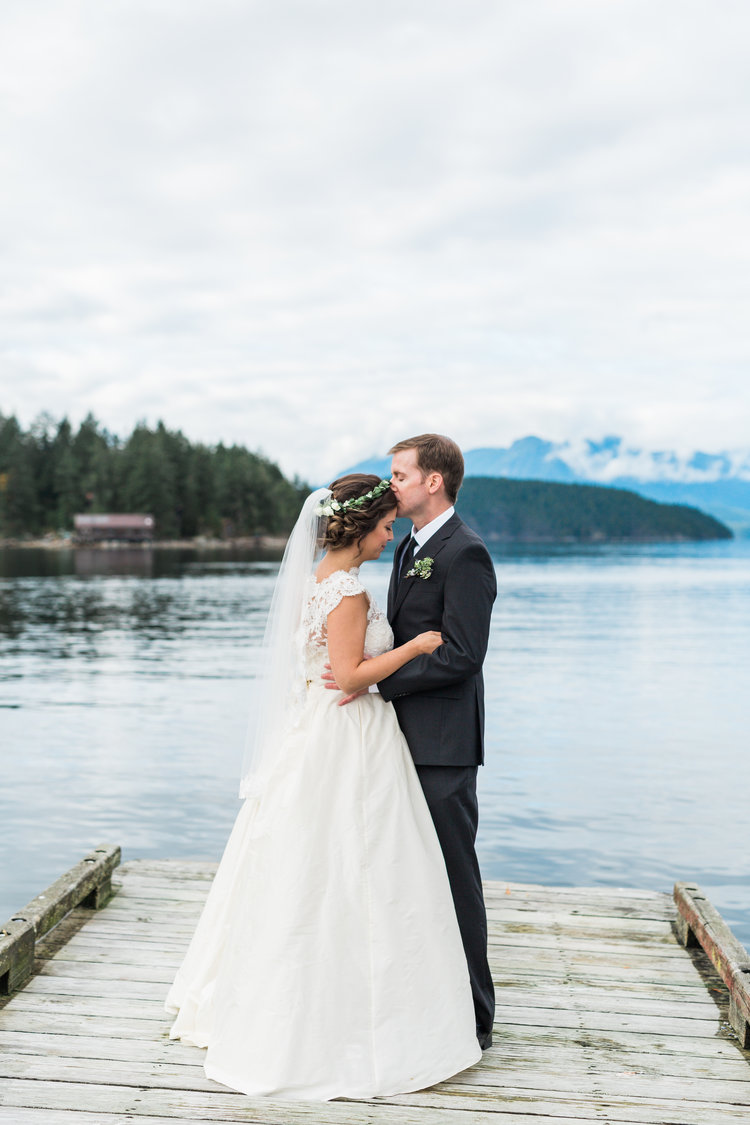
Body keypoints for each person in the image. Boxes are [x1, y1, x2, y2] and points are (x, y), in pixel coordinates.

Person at [165, 474, 482, 1101]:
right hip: (349, 736)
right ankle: (358, 1022)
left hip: (321, 729)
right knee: (358, 863)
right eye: (386, 526)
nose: (391, 535)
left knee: (325, 863)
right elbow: (351, 674)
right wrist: (416, 644)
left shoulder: (318, 584)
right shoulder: (348, 595)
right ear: (361, 529)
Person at [330, 435, 496, 1050]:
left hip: (443, 745)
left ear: (433, 481)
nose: (389, 483)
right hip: (394, 741)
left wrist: (378, 684)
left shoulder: (467, 553)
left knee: (453, 877)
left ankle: (476, 1017)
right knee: (407, 879)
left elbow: (461, 655)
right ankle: (425, 1006)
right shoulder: (406, 546)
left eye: (400, 474)